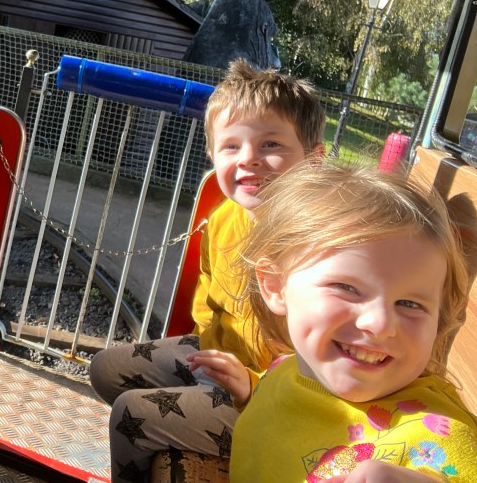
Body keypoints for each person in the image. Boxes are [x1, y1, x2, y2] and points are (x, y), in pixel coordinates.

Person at [88, 60, 326, 482]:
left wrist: (250, 385)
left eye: (271, 144)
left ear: (314, 160)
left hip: (276, 403)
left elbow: (321, 366)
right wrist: (202, 365)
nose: (249, 160)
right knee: (105, 368)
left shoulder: (317, 250)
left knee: (131, 414)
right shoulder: (223, 220)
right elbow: (208, 301)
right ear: (213, 155)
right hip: (222, 362)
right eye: (231, 146)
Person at [230, 163, 477, 482]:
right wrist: (248, 393)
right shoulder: (282, 371)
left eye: (410, 304)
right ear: (275, 286)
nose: (380, 323)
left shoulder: (441, 437)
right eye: (346, 288)